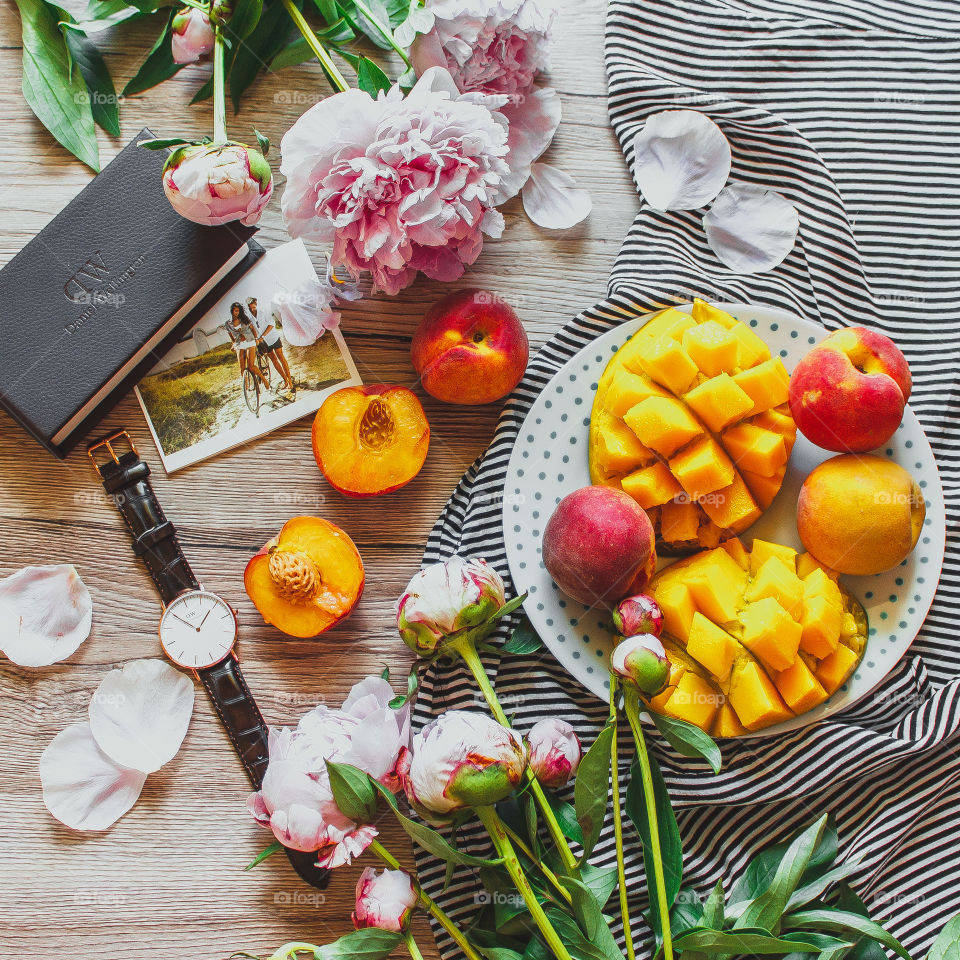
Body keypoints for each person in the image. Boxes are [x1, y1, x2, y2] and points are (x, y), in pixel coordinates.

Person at [247, 296, 294, 392]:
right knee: (273, 359)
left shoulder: (264, 311)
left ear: (256, 304)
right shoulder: (249, 317)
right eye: (250, 307)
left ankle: (290, 380)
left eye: (254, 306)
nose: (252, 309)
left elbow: (271, 324)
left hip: (272, 337)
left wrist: (262, 337)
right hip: (263, 343)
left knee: (281, 357)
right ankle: (285, 380)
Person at [223, 301, 268, 392]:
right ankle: (246, 384)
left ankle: (264, 379)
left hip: (249, 341)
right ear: (232, 311)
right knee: (242, 367)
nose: (237, 313)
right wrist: (233, 344)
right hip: (239, 344)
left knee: (251, 365)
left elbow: (253, 329)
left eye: (239, 311)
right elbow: (231, 335)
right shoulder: (227, 323)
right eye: (235, 311)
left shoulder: (244, 318)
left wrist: (256, 339)